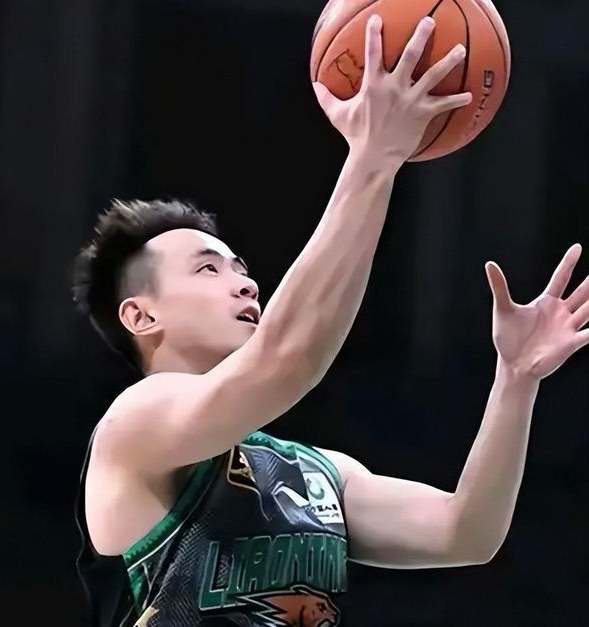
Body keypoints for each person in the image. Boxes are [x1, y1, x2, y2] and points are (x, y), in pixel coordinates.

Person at [71, 16, 589, 627]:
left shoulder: (318, 475)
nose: (246, 282)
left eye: (242, 268)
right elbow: (288, 358)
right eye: (208, 269)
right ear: (141, 314)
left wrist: (516, 380)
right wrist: (373, 157)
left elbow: (466, 532)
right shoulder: (134, 429)